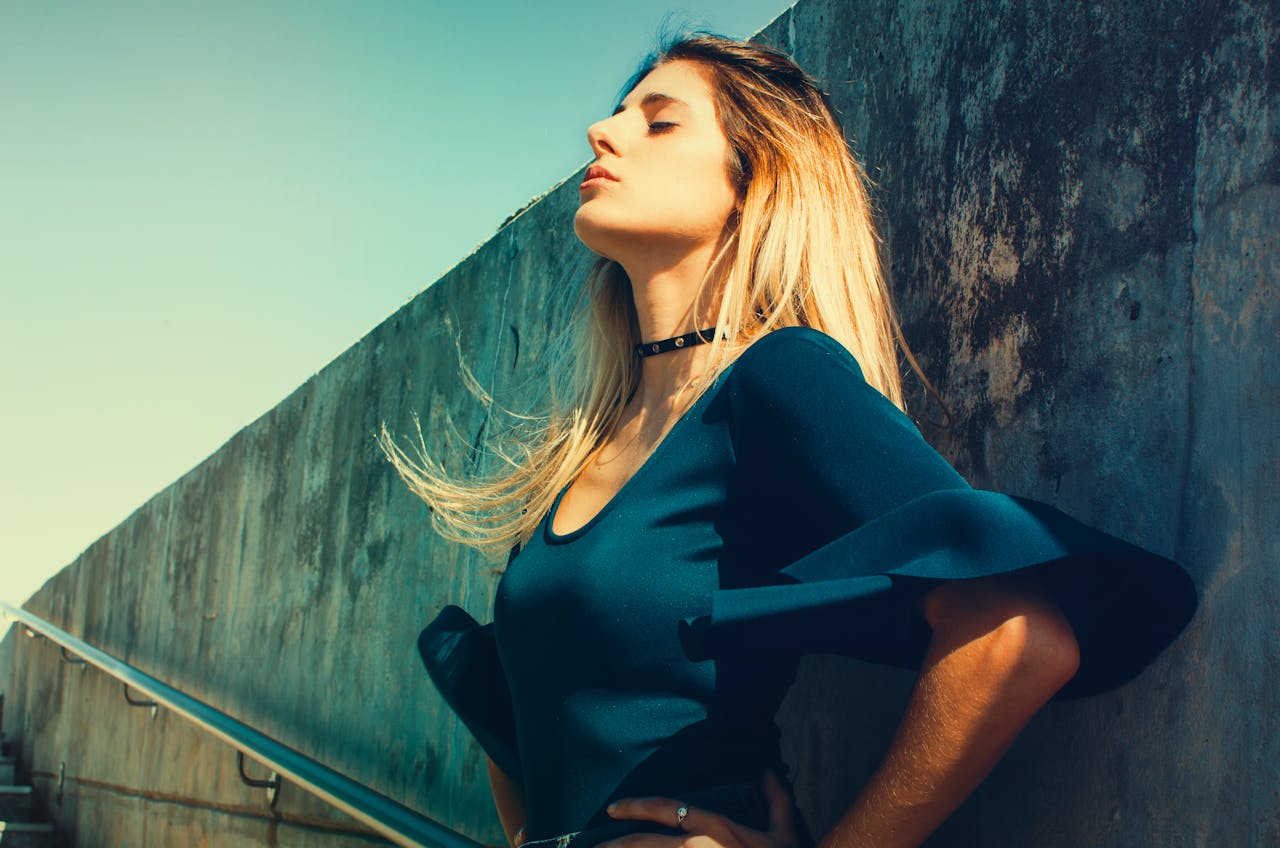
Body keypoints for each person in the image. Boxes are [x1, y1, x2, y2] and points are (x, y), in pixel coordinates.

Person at [381, 34, 1196, 848]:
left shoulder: (779, 377)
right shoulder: (586, 441)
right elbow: (520, 703)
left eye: (659, 123)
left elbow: (1015, 636)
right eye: (617, 113)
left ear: (752, 180)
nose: (601, 131)